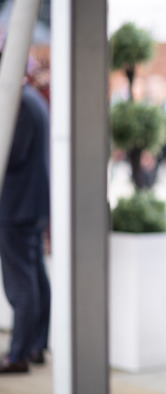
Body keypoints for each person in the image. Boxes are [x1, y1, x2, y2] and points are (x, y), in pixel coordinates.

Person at [0, 52, 51, 373]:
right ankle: (34, 346)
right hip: (28, 205)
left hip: (16, 207)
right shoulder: (30, 98)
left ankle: (18, 354)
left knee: (21, 284)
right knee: (33, 277)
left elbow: (11, 154)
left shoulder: (18, 103)